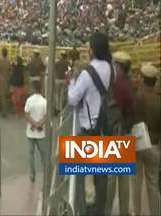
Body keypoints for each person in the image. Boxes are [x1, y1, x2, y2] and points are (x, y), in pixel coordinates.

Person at [68, 32, 113, 216]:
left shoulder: (87, 73)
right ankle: (100, 211)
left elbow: (72, 99)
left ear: (93, 50)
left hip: (88, 129)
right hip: (106, 128)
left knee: (80, 177)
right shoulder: (112, 69)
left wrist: (71, 81)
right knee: (101, 178)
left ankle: (82, 210)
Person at [105, 51, 136, 216]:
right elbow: (132, 109)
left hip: (112, 132)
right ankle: (124, 211)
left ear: (117, 65)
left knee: (110, 177)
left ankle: (107, 210)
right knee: (123, 178)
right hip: (123, 132)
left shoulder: (113, 82)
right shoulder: (128, 83)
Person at [132, 63, 160, 216]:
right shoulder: (158, 100)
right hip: (154, 145)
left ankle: (137, 212)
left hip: (137, 143)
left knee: (136, 181)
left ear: (142, 79)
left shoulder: (137, 97)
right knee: (153, 183)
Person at [24, 80, 47, 183]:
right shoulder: (44, 101)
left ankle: (32, 174)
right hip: (41, 133)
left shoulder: (29, 100)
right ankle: (46, 173)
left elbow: (27, 114)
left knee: (31, 154)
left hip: (30, 132)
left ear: (33, 89)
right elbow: (46, 116)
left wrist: (33, 124)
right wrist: (39, 124)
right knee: (43, 154)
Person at [0, 47, 11, 117]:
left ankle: (4, 111)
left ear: (2, 53)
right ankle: (1, 107)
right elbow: (10, 69)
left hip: (0, 79)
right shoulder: (8, 61)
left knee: (2, 95)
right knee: (4, 95)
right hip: (7, 79)